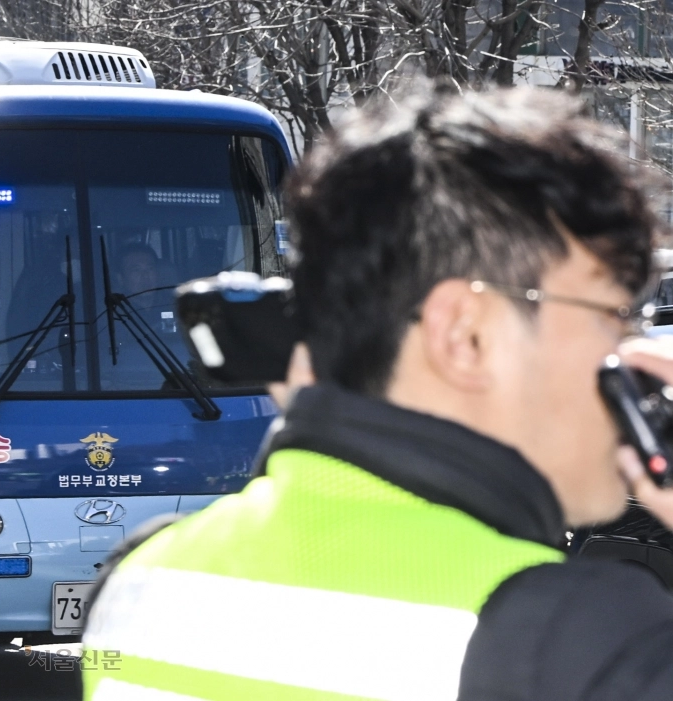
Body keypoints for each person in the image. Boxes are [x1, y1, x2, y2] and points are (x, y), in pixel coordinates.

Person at [81, 86, 673, 700]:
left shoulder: (140, 579)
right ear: (464, 336)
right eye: (617, 315)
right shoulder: (588, 637)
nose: (631, 354)